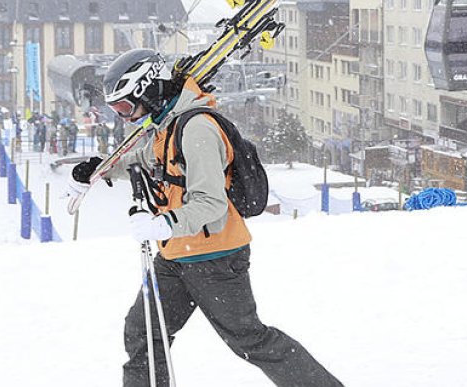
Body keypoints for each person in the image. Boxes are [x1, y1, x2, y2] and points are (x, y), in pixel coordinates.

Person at [67, 48, 342, 387]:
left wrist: (162, 223)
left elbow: (210, 203)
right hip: (176, 255)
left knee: (249, 339)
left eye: (126, 107)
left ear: (150, 90)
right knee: (144, 332)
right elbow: (147, 160)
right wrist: (98, 170)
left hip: (216, 257)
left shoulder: (196, 128)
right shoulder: (166, 125)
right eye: (116, 110)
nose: (125, 118)